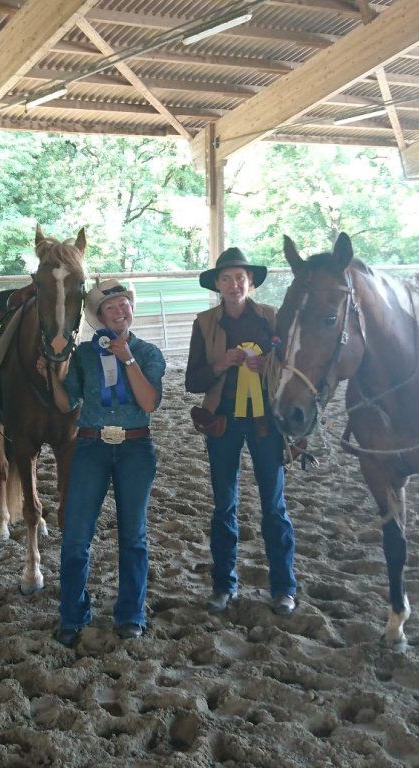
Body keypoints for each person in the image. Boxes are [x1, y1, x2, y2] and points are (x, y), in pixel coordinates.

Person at [47, 279, 166, 646]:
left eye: (124, 305)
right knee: (77, 535)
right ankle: (72, 613)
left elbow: (149, 403)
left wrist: (126, 358)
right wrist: (55, 367)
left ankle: (131, 613)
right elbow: (66, 404)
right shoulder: (83, 354)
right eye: (111, 308)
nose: (120, 311)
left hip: (135, 447)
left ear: (132, 309)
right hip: (90, 446)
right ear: (99, 317)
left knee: (134, 535)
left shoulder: (147, 352)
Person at [185, 248, 298, 616]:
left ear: (250, 282)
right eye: (226, 278)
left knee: (274, 506)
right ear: (216, 284)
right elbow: (192, 380)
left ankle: (283, 587)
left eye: (239, 278)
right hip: (223, 421)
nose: (234, 284)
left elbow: (289, 369)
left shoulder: (273, 319)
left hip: (266, 421)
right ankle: (223, 584)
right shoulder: (204, 323)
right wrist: (220, 364)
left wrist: (268, 366)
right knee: (224, 506)